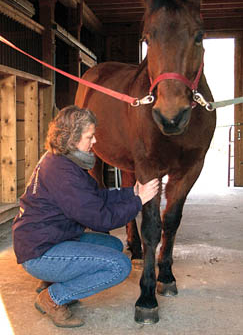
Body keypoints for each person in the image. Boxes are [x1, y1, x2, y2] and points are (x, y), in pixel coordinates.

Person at [12, 105, 159, 328]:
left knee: (111, 245)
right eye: (90, 136)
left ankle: (52, 282)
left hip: (50, 238)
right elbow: (101, 219)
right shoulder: (62, 172)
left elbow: (94, 197)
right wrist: (139, 202)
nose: (94, 141)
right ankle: (53, 298)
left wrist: (132, 192)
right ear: (71, 138)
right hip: (39, 252)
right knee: (119, 266)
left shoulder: (63, 161)